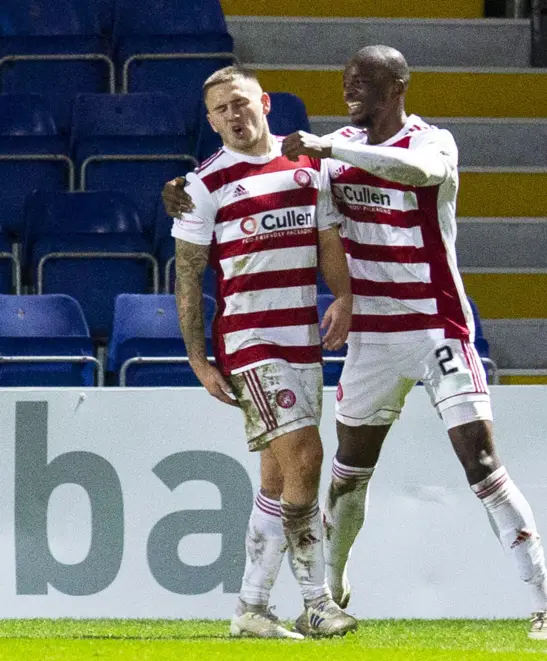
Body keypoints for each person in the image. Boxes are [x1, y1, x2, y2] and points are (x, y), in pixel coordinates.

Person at [163, 47, 547, 641]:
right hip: (371, 339)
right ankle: (327, 589)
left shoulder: (431, 142)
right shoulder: (329, 155)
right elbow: (266, 172)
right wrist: (181, 186)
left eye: (364, 80)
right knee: (344, 475)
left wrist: (326, 149)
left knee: (480, 462)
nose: (351, 88)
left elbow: (419, 176)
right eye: (347, 80)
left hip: (436, 326)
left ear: (398, 85)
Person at [168, 64, 357, 639]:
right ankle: (317, 601)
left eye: (241, 103)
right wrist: (199, 359)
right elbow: (188, 276)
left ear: (265, 103)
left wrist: (344, 296)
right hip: (249, 343)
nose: (233, 115)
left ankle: (250, 608)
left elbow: (327, 242)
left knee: (278, 477)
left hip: (301, 338)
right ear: (211, 121)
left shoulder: (307, 169)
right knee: (307, 458)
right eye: (221, 109)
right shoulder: (203, 185)